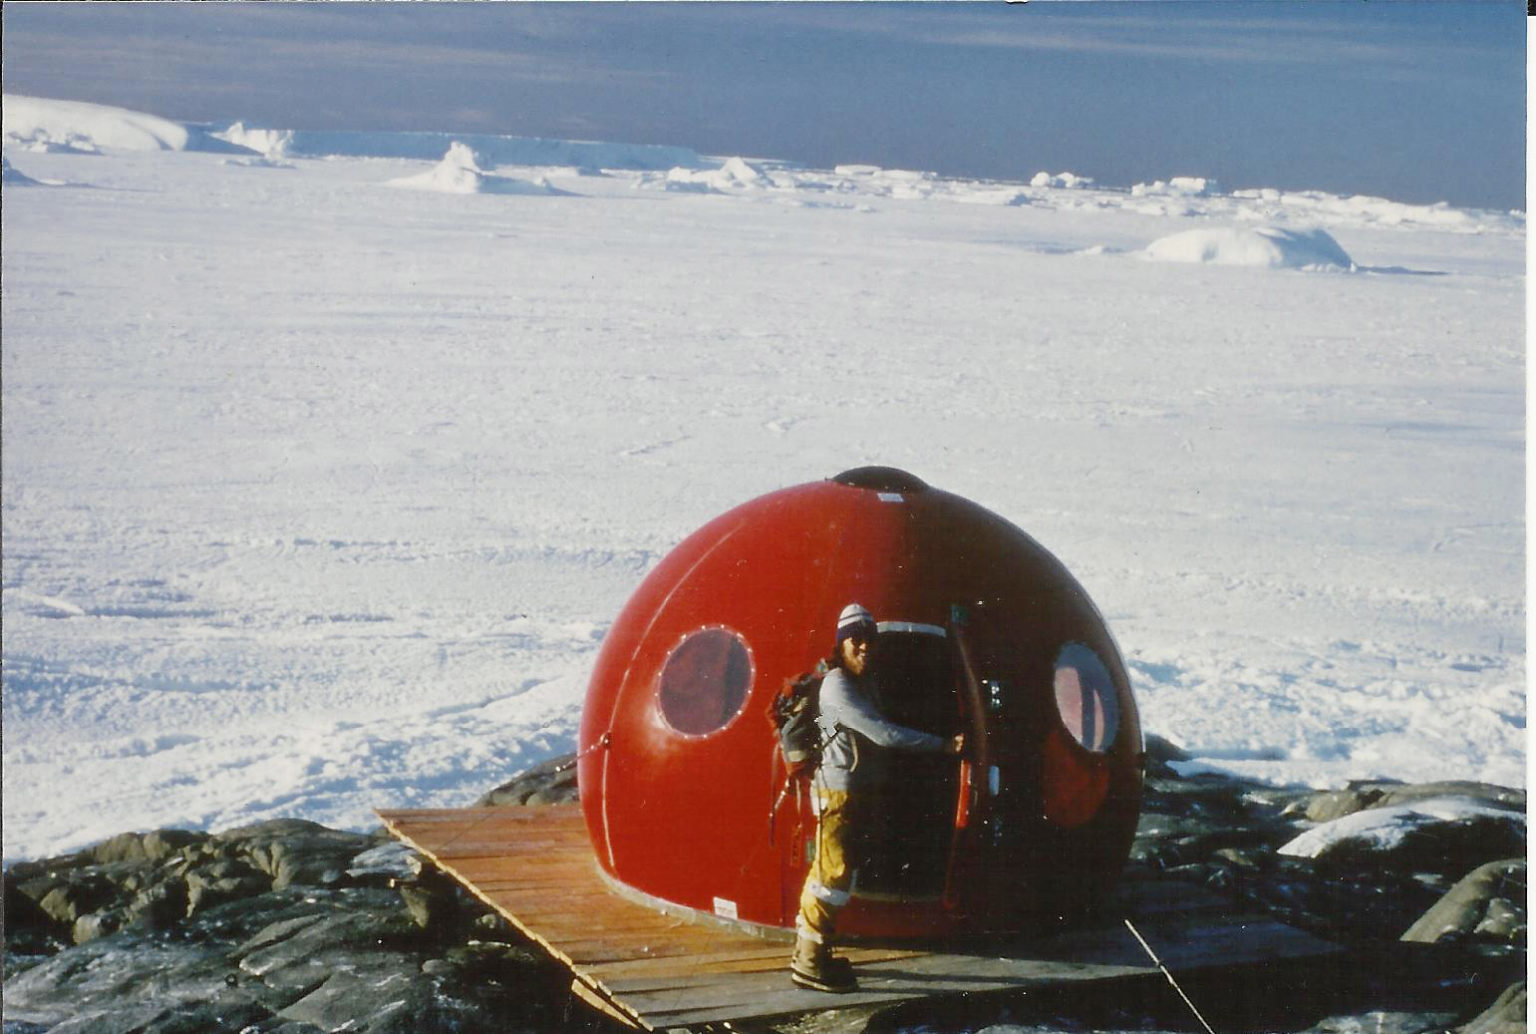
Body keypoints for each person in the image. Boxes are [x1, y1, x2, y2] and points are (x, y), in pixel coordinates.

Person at [789, 602, 965, 993]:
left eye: (870, 639)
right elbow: (882, 733)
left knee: (833, 871)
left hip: (847, 790)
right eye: (856, 639)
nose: (865, 646)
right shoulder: (839, 685)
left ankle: (815, 951)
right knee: (831, 876)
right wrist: (942, 746)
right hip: (838, 793)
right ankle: (808, 961)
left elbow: (830, 726)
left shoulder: (855, 684)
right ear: (841, 644)